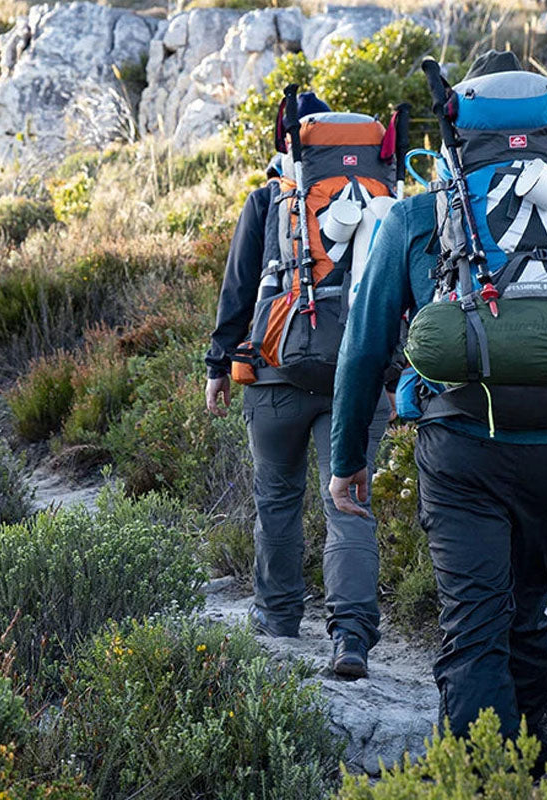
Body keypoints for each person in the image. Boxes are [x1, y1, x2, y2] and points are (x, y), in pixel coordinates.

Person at [329, 52, 547, 768]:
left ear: (456, 131)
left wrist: (347, 461)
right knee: (526, 618)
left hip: (461, 451)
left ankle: (484, 784)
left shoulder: (418, 216)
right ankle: (539, 775)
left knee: (474, 631)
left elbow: (361, 350)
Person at [205, 91, 390, 678]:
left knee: (277, 500)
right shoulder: (383, 196)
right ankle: (352, 638)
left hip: (274, 379)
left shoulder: (267, 201)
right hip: (356, 379)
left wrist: (218, 367)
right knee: (349, 504)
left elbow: (237, 292)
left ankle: (278, 621)